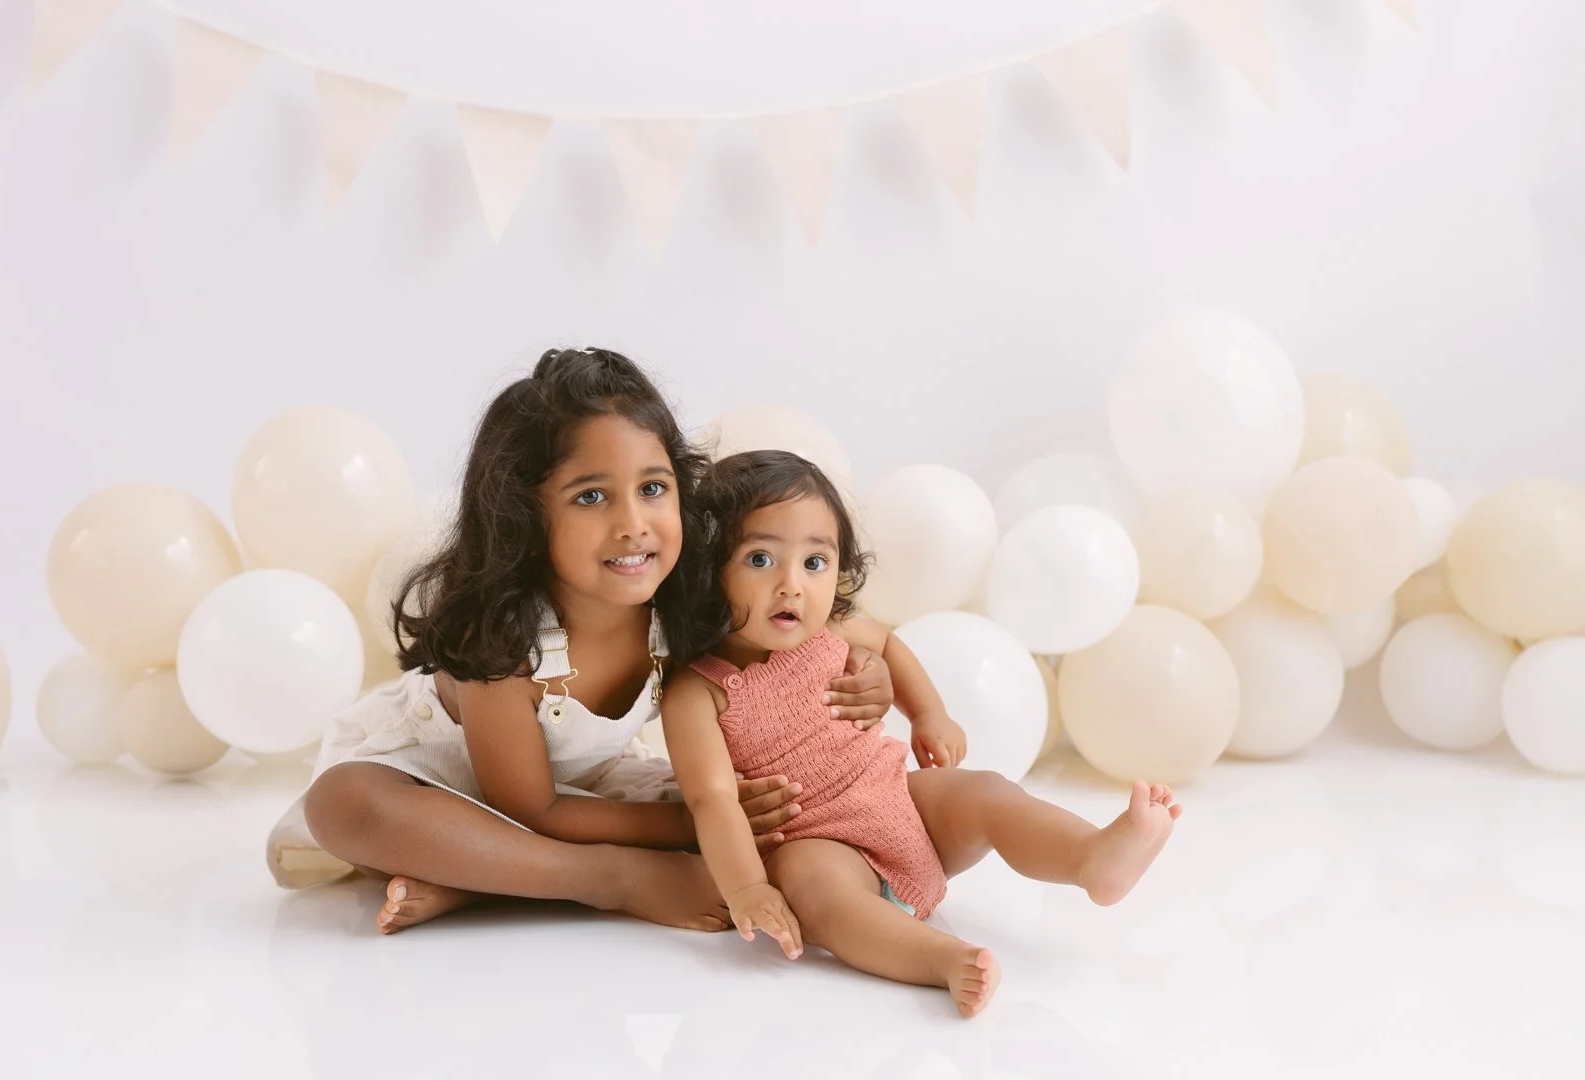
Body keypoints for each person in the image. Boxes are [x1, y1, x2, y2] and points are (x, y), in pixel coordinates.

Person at [266, 349, 895, 934]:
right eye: (591, 496)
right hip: (449, 787)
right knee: (343, 807)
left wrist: (869, 668)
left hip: (584, 796)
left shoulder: (685, 600)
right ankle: (601, 879)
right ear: (527, 516)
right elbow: (529, 807)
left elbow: (813, 625)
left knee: (753, 814)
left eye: (653, 489)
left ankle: (482, 885)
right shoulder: (503, 639)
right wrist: (674, 830)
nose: (632, 525)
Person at [662, 450, 1183, 1016]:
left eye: (815, 562)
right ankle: (939, 958)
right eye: (761, 558)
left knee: (983, 792)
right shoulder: (699, 691)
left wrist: (928, 712)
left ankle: (1090, 856)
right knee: (814, 887)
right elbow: (712, 800)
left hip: (904, 807)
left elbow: (888, 642)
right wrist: (746, 890)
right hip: (819, 844)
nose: (792, 586)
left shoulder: (832, 628)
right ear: (709, 570)